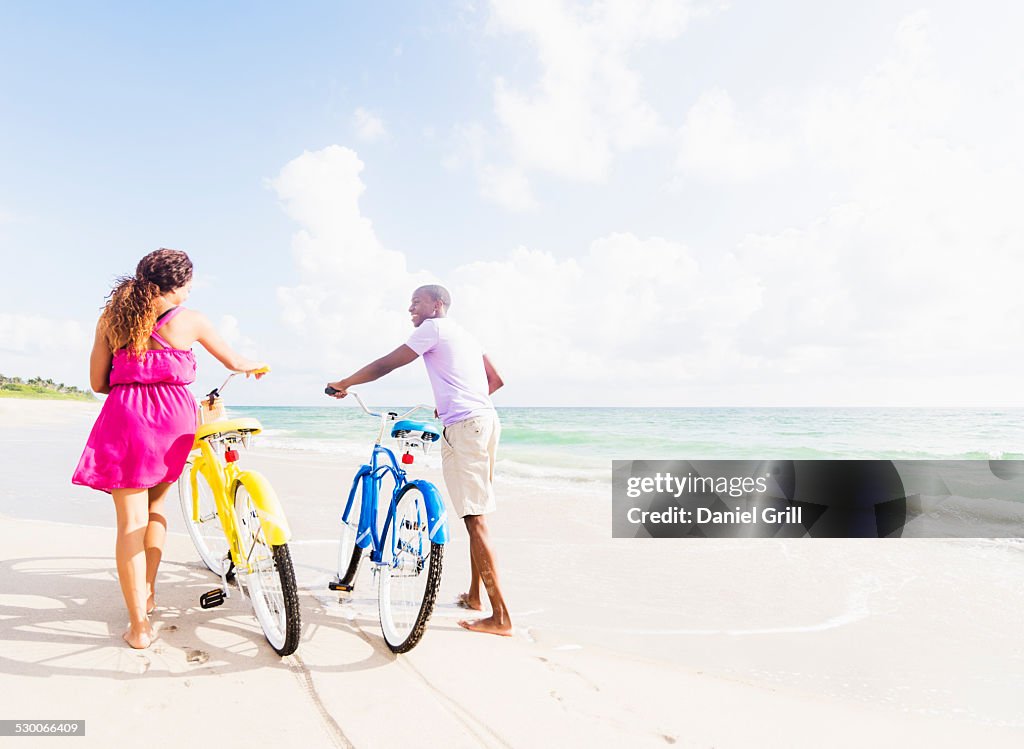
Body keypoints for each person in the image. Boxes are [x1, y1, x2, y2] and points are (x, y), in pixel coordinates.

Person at [72, 248, 267, 649]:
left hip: (126, 420)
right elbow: (235, 360)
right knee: (156, 510)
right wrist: (256, 366)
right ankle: (148, 590)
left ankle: (138, 625)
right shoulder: (192, 321)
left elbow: (97, 382)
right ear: (177, 286)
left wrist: (133, 383)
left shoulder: (112, 319)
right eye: (189, 287)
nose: (190, 294)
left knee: (129, 524)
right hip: (173, 426)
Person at [326, 285, 511, 636]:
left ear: (437, 304)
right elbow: (496, 380)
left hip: (465, 427)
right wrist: (463, 400)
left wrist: (344, 383)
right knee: (477, 513)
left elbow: (385, 365)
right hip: (486, 422)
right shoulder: (466, 335)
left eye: (417, 302)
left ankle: (501, 617)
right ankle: (475, 597)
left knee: (475, 520)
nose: (410, 308)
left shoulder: (433, 328)